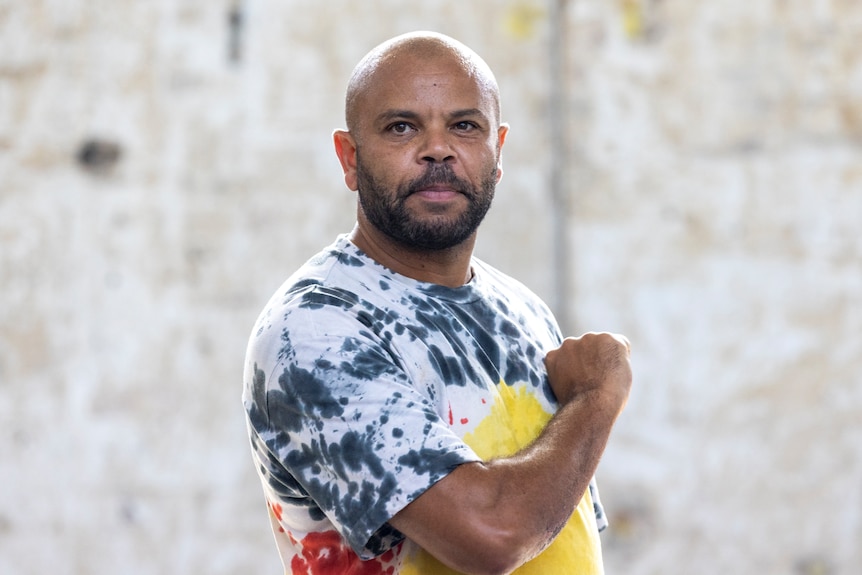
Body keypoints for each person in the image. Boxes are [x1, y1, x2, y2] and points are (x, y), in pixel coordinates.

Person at [242, 31, 632, 575]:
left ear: (497, 154)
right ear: (349, 158)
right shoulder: (317, 330)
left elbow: (560, 538)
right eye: (402, 127)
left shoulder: (523, 311)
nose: (438, 149)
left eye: (464, 126)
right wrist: (595, 397)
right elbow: (493, 538)